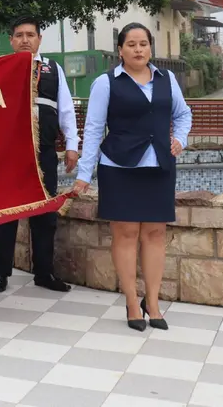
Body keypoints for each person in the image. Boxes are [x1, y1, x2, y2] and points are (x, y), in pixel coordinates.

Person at [73, 22, 192, 331]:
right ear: (120, 50)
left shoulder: (167, 79)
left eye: (144, 44)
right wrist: (84, 174)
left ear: (151, 47)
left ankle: (152, 302)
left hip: (159, 167)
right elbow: (94, 129)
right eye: (131, 44)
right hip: (119, 167)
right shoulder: (105, 83)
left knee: (155, 233)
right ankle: (131, 301)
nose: (138, 49)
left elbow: (183, 114)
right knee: (125, 233)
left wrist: (180, 139)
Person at [0, 17, 79, 294]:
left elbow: (65, 109)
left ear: (39, 39)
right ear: (11, 40)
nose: (25, 40)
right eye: (19, 35)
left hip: (44, 153)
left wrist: (73, 144)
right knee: (5, 213)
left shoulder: (53, 69)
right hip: (8, 155)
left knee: (45, 214)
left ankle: (44, 273)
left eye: (30, 35)